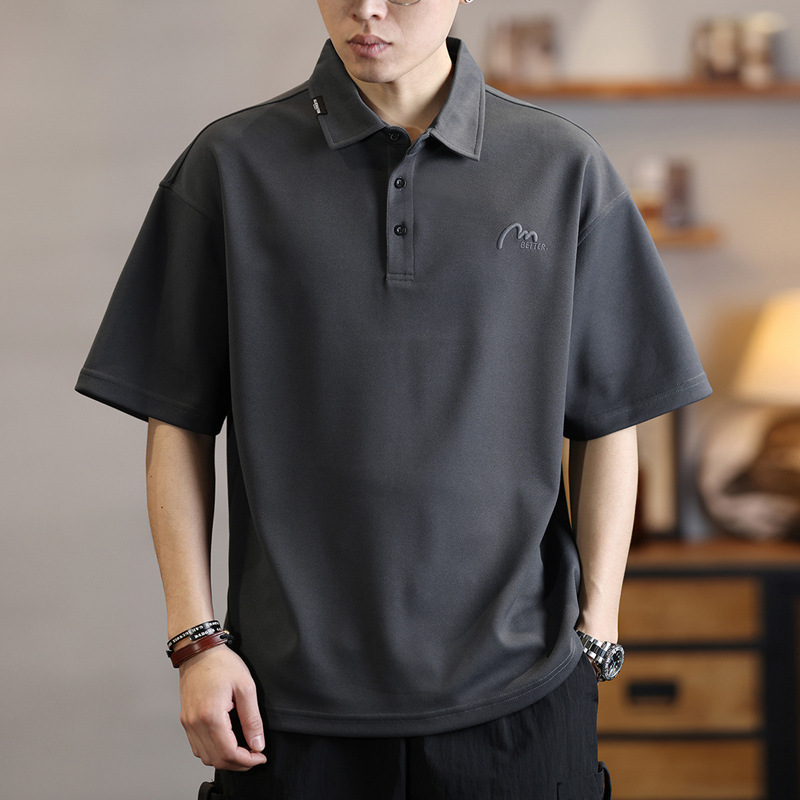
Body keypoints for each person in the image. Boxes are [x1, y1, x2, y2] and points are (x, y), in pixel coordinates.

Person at [76, 1, 712, 797]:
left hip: (521, 701)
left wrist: (598, 629)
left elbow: (610, 420)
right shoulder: (229, 166)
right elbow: (176, 420)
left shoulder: (562, 167)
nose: (367, 8)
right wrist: (196, 643)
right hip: (287, 705)